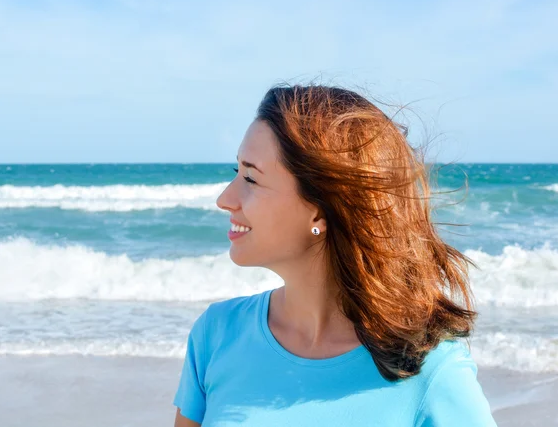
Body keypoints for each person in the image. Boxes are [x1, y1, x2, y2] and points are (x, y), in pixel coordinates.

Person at [172, 84, 497, 426]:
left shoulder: (429, 369)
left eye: (251, 178)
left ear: (320, 209)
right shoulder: (218, 333)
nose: (225, 198)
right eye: (235, 172)